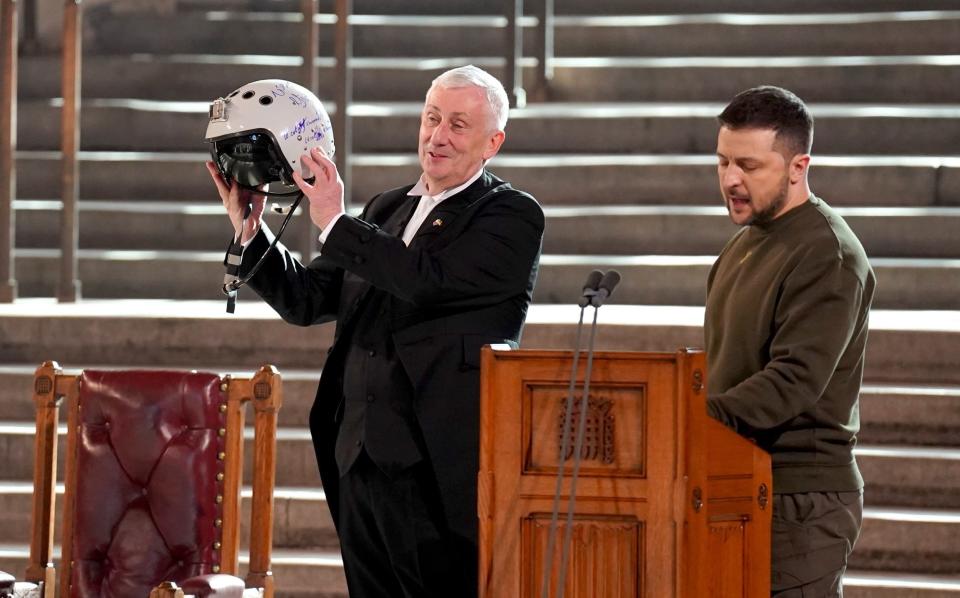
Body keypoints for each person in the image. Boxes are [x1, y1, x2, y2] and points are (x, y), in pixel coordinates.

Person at [205, 66, 544, 597]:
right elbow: (309, 300)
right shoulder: (387, 208)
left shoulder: (510, 215)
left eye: (458, 125)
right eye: (432, 118)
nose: (438, 136)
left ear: (492, 142)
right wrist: (252, 231)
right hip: (358, 455)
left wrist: (335, 220)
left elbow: (425, 282)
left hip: (436, 465)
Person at [704, 86, 876, 597]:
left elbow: (793, 381)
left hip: (800, 497)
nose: (731, 179)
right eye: (723, 162)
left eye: (749, 166)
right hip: (740, 479)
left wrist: (691, 420)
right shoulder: (746, 240)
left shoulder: (827, 252)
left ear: (798, 166)